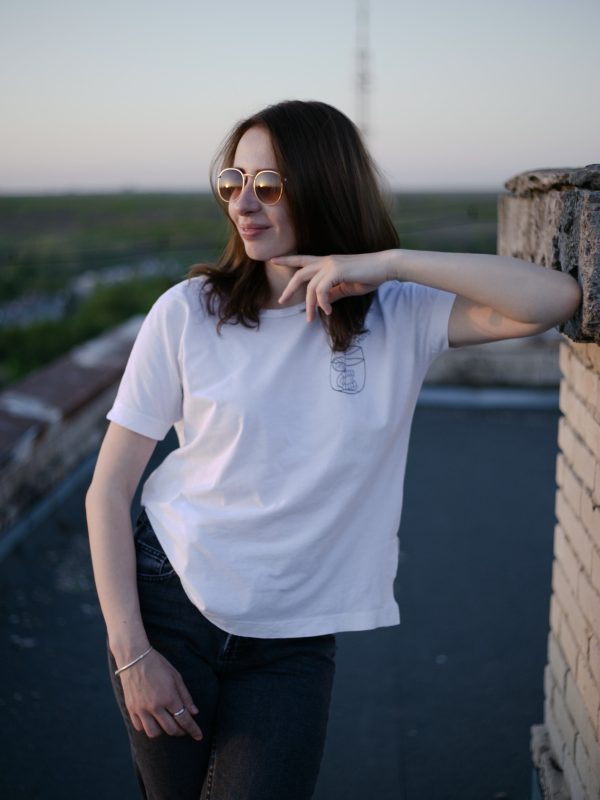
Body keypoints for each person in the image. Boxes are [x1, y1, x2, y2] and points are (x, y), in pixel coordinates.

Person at [85, 99, 581, 800]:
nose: (244, 204)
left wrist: (389, 262)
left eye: (270, 184)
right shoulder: (189, 312)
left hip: (292, 637)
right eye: (233, 182)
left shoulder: (398, 312)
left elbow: (554, 298)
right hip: (170, 605)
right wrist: (131, 651)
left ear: (323, 185)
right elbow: (107, 491)